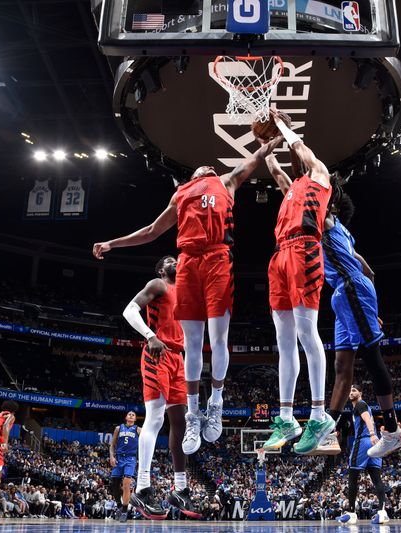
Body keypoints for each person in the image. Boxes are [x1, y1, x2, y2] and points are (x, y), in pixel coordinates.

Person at [93, 138, 283, 455]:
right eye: (202, 166)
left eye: (211, 165)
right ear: (192, 176)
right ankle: (193, 414)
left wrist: (273, 139)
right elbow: (152, 230)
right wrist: (112, 243)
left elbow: (257, 156)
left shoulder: (226, 182)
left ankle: (217, 401)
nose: (209, 164)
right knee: (192, 343)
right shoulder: (180, 194)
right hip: (188, 263)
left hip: (218, 259)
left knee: (218, 339)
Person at [259, 109, 335, 454]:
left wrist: (284, 128)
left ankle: (319, 415)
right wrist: (265, 144)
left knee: (307, 333)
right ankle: (287, 417)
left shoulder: (320, 176)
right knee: (284, 340)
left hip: (305, 249)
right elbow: (274, 169)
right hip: (279, 256)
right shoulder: (292, 188)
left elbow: (303, 149)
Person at [315, 185, 401, 457]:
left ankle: (392, 431)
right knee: (341, 365)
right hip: (344, 296)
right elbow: (370, 271)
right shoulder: (345, 237)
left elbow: (366, 273)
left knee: (371, 356)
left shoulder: (329, 222)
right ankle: (328, 429)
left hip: (351, 289)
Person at [122, 256, 202, 520]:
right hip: (157, 353)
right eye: (170, 260)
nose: (176, 261)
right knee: (155, 418)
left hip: (178, 358)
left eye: (177, 258)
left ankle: (180, 489)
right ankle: (142, 489)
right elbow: (129, 310)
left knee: (180, 422)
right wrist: (150, 336)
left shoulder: (185, 291)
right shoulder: (158, 284)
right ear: (161, 269)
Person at [335, 386, 389, 525]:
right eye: (350, 391)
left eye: (354, 390)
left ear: (360, 393)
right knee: (376, 478)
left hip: (364, 441)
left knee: (353, 476)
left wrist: (371, 433)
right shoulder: (361, 406)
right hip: (374, 443)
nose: (351, 392)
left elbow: (366, 418)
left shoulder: (360, 404)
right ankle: (382, 512)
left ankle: (352, 514)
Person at [109, 411, 139, 522]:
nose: (131, 415)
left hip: (130, 459)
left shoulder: (138, 429)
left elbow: (147, 439)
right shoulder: (118, 428)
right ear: (126, 417)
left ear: (135, 419)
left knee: (126, 484)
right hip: (119, 458)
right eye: (129, 414)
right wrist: (112, 457)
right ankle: (119, 506)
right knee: (114, 485)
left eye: (133, 415)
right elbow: (112, 445)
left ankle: (125, 511)